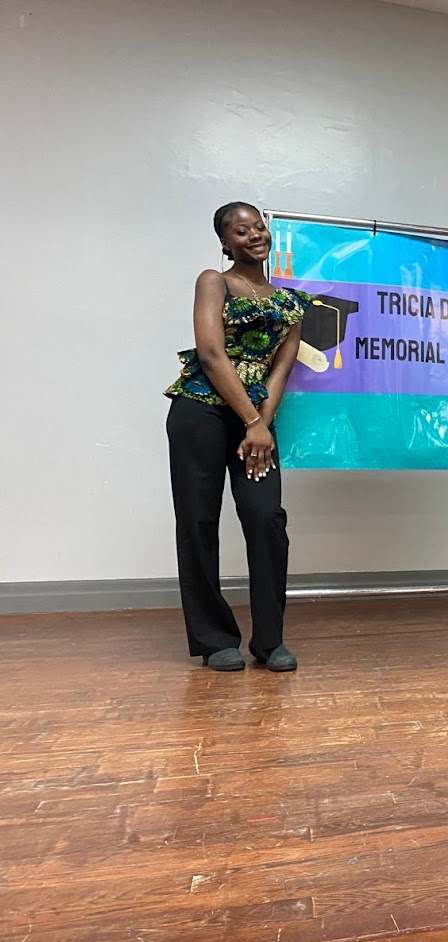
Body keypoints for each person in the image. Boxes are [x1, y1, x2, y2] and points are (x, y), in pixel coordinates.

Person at [165, 202, 312, 672]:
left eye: (259, 226)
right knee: (198, 521)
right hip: (202, 411)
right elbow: (211, 354)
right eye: (241, 230)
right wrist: (252, 422)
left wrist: (261, 425)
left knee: (265, 517)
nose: (254, 234)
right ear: (226, 243)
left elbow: (282, 369)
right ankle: (214, 639)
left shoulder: (291, 301)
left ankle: (269, 640)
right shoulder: (214, 281)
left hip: (256, 422)